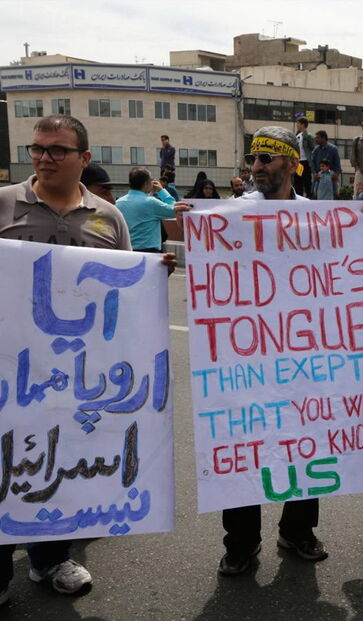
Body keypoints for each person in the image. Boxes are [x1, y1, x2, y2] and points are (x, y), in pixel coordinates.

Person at [0, 114, 177, 602]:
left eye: (57, 150)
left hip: (78, 373)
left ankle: (51, 559)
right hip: (11, 369)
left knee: (61, 456)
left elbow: (126, 286)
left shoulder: (108, 216)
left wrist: (153, 273)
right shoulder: (4, 203)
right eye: (38, 149)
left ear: (84, 158)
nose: (45, 158)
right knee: (7, 462)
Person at [204, 125, 363, 575]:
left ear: (293, 165)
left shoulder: (317, 218)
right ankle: (241, 542)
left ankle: (298, 530)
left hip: (304, 358)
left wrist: (361, 229)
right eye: (253, 159)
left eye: (267, 159)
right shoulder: (229, 215)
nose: (256, 167)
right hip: (246, 358)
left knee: (305, 443)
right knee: (245, 445)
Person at [115, 167, 185, 252]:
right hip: (148, 251)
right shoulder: (150, 202)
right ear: (146, 183)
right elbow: (174, 210)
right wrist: (161, 191)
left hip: (126, 251)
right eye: (151, 180)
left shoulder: (118, 203)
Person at [311, 130, 341, 199]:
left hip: (331, 180)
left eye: (318, 138)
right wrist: (314, 174)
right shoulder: (315, 150)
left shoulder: (333, 149)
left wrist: (336, 174)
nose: (316, 139)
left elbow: (337, 164)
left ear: (323, 138)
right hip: (319, 179)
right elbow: (313, 163)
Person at [294, 117, 312, 197]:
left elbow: (313, 148)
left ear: (303, 124)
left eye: (298, 123)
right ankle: (298, 197)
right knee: (298, 180)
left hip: (305, 161)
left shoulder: (308, 136)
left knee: (307, 181)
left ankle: (309, 197)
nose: (297, 125)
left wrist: (310, 160)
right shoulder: (296, 135)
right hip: (298, 161)